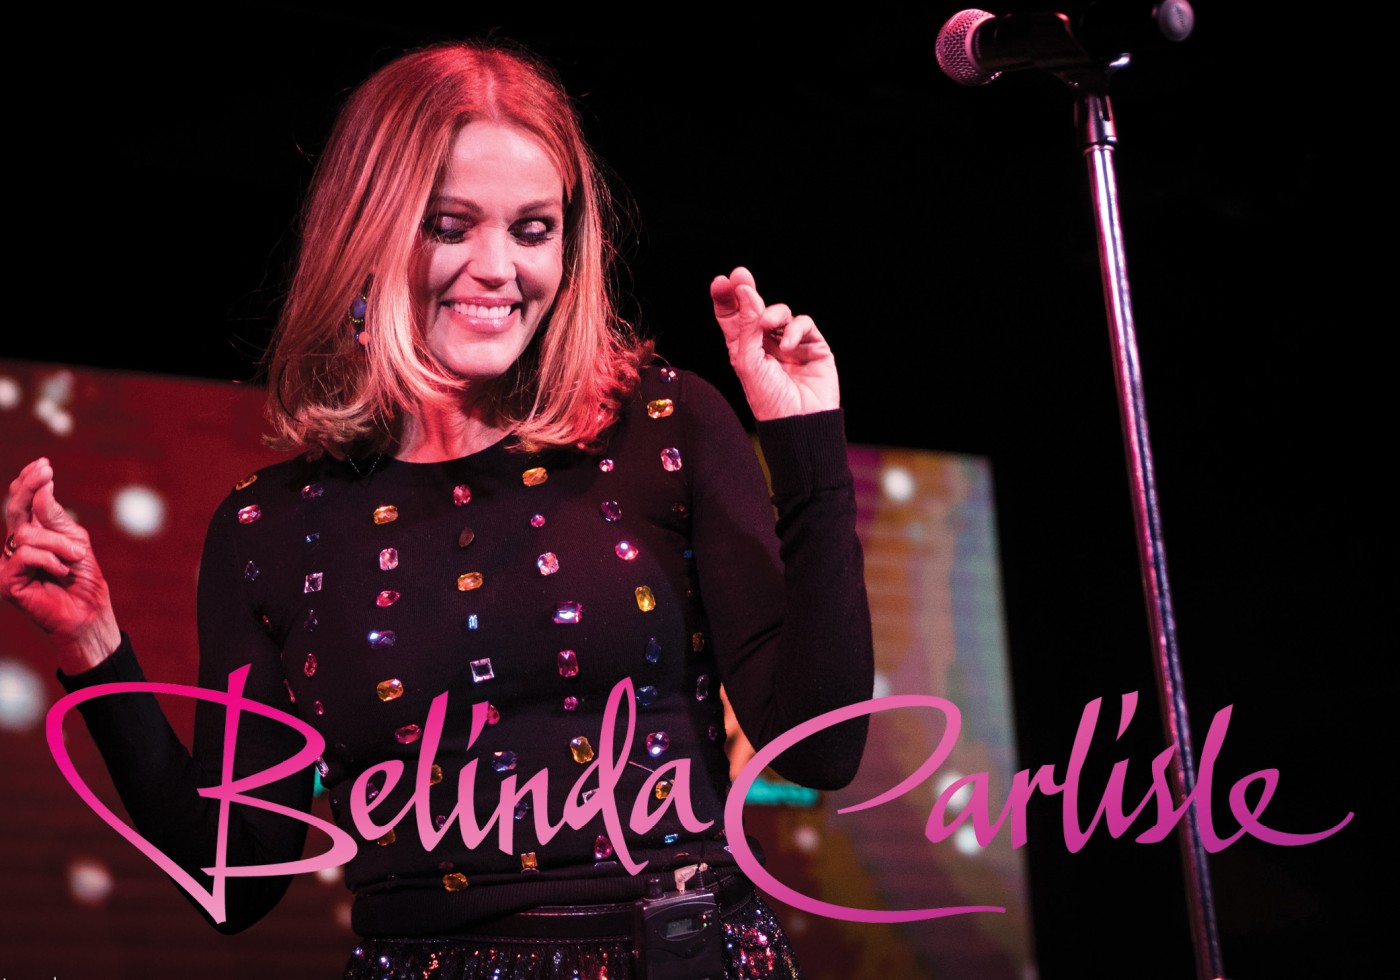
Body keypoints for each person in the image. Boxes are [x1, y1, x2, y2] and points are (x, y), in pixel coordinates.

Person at [2, 40, 872, 979]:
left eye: (533, 230)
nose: (498, 267)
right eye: (450, 226)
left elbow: (818, 752)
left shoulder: (664, 426)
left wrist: (807, 446)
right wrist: (94, 647)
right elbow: (236, 878)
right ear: (366, 230)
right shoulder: (271, 529)